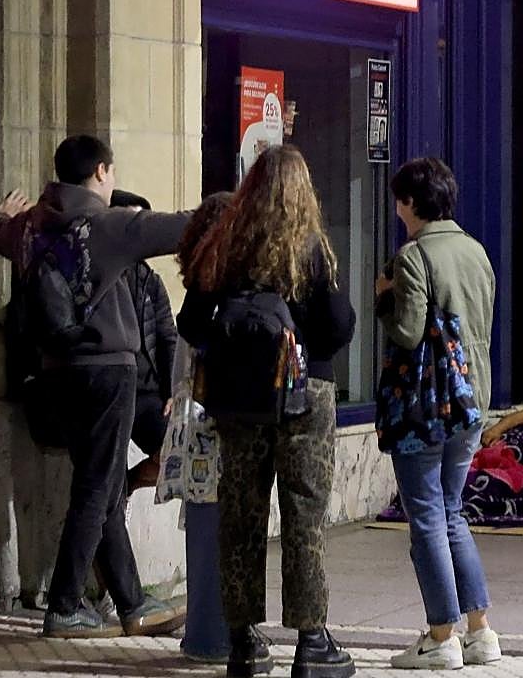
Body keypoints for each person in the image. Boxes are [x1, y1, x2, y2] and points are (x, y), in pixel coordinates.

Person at [0, 135, 191, 638]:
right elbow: (186, 226)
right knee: (97, 490)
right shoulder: (108, 223)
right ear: (100, 172)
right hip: (106, 371)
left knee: (95, 485)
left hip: (59, 372)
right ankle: (65, 604)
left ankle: (131, 602)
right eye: (112, 173)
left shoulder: (30, 227)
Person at [177, 146, 356, 678]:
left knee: (241, 515)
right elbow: (336, 329)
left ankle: (243, 643)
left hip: (239, 403)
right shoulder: (311, 250)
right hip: (306, 396)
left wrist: (234, 347)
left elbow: (190, 323)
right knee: (304, 517)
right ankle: (312, 642)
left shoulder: (225, 246)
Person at [374, 157, 501, 670]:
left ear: (408, 203)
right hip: (472, 399)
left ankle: (440, 635)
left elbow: (407, 332)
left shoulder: (412, 257)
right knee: (452, 512)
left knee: (426, 514)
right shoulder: (476, 251)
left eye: (398, 200)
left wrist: (385, 299)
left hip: (427, 405)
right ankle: (480, 631)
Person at [154, 191, 233, 663]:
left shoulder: (197, 292)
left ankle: (206, 633)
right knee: (221, 533)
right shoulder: (225, 293)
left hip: (194, 424)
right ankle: (213, 636)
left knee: (204, 532)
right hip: (220, 424)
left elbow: (179, 366)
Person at [109, 189, 177, 493]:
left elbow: (167, 337)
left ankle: (128, 485)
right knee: (104, 471)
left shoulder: (150, 281)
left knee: (178, 450)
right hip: (110, 389)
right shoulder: (102, 272)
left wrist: (172, 390)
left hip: (147, 392)